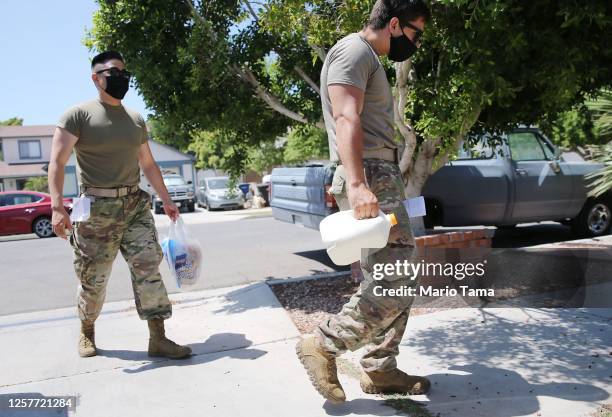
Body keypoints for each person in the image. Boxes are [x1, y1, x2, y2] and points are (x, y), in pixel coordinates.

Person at [296, 0, 431, 403]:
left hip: (379, 174)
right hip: (367, 174)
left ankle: (380, 368)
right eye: (415, 33)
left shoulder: (368, 57)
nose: (417, 43)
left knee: (396, 272)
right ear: (393, 23)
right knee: (395, 274)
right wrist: (356, 183)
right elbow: (345, 118)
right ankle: (322, 344)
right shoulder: (354, 51)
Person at [48, 51, 191, 359]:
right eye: (113, 72)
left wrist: (167, 199)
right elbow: (57, 163)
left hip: (134, 205)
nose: (120, 77)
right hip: (96, 209)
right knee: (93, 278)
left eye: (124, 72)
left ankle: (158, 337)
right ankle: (87, 330)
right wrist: (57, 207)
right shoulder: (78, 115)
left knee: (148, 269)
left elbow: (149, 164)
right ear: (96, 77)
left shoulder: (135, 119)